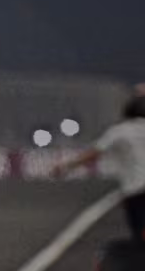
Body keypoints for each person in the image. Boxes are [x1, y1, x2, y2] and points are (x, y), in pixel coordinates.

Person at [57, 96, 145, 242]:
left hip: (136, 189)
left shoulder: (121, 131)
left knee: (139, 231)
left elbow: (94, 153)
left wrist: (67, 166)